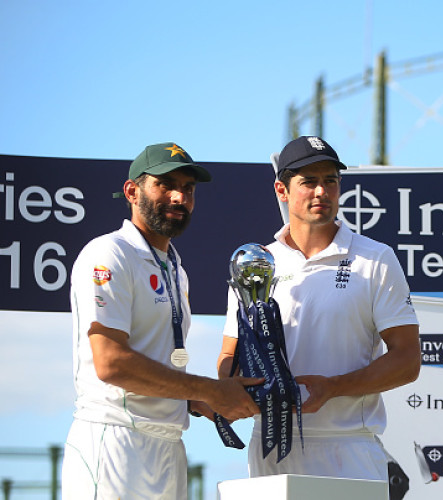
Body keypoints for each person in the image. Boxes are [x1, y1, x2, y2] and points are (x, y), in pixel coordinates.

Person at [62, 142, 262, 499]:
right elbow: (110, 364)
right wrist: (209, 390)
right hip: (114, 442)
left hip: (169, 446)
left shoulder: (174, 268)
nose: (178, 197)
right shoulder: (109, 253)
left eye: (188, 188)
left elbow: (161, 363)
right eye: (165, 185)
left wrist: (204, 403)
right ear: (132, 191)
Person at [218, 135, 421, 481]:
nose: (321, 192)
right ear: (281, 190)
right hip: (270, 447)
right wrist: (238, 391)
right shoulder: (258, 263)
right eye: (308, 182)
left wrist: (334, 387)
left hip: (349, 448)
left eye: (331, 181)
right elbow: (229, 358)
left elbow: (407, 361)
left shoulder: (376, 258)